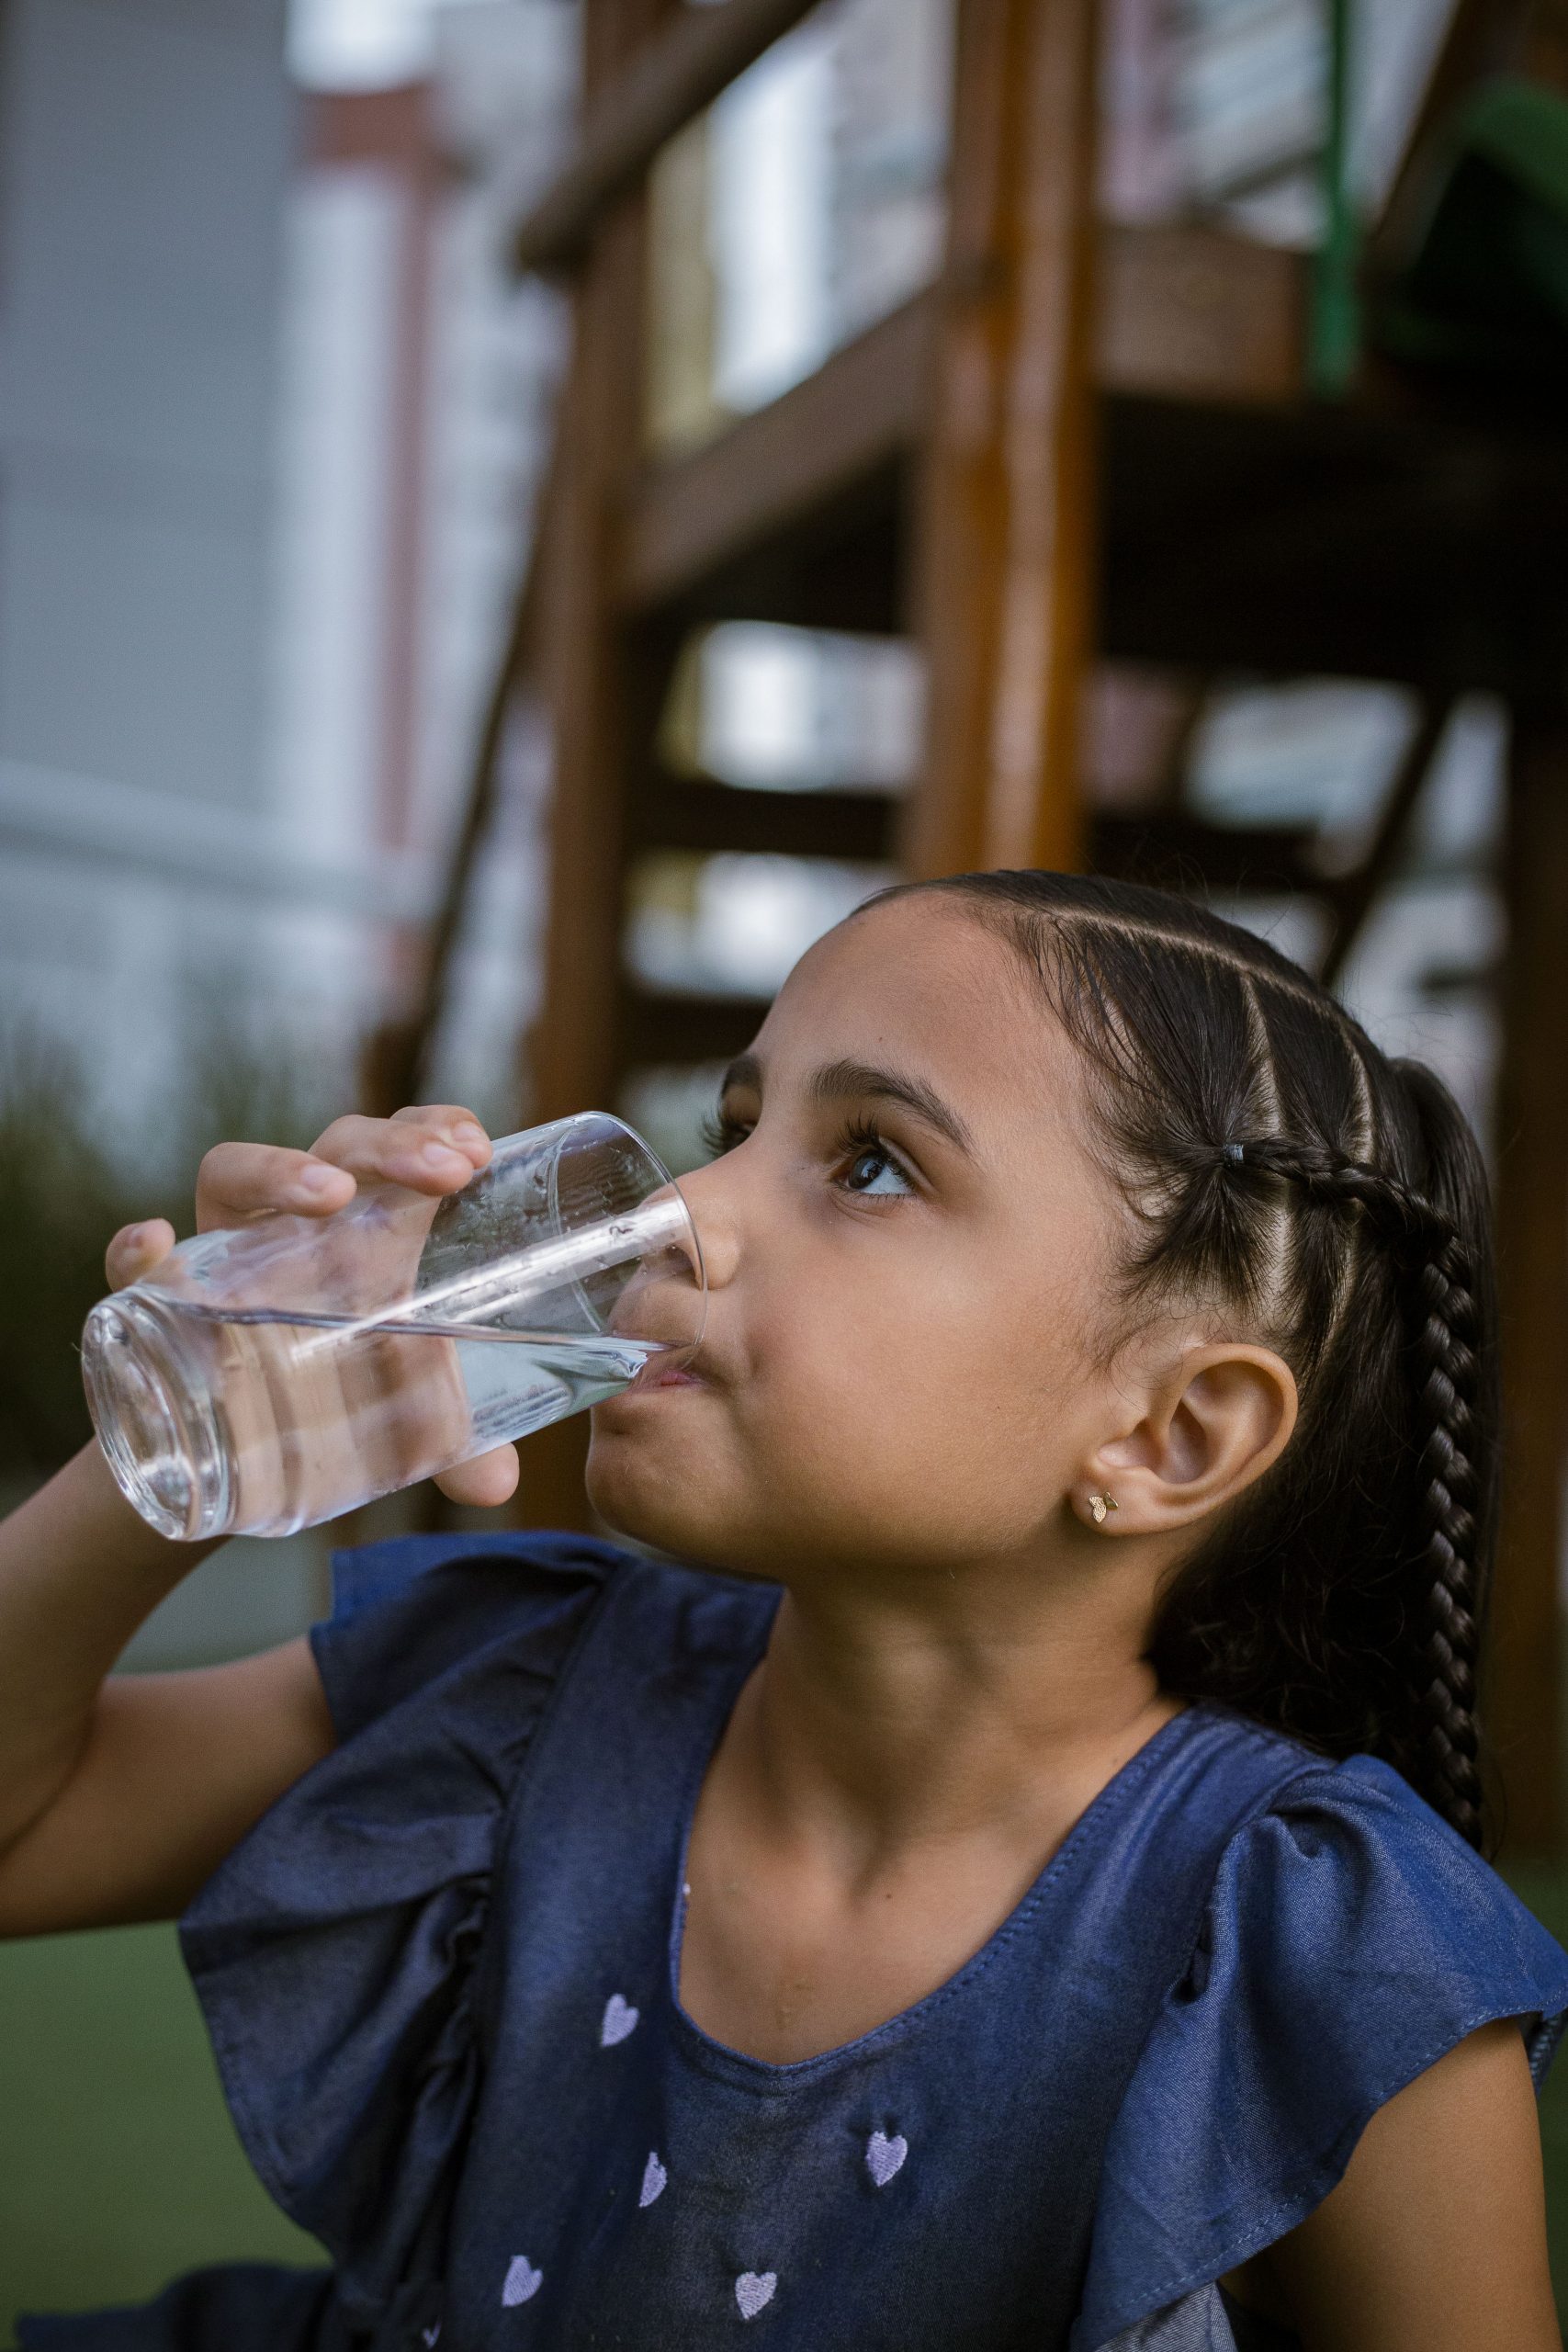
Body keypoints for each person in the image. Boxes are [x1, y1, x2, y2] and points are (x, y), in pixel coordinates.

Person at [2, 870, 1565, 2352]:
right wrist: (179, 1438)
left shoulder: (1317, 1950)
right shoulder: (530, 1686)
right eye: (732, 1125)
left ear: (1171, 1437)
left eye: (872, 1161)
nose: (683, 1208)